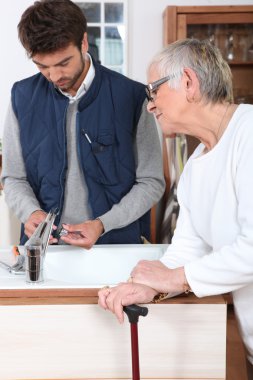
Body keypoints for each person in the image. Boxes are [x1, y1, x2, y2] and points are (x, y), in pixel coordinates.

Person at [98, 38, 253, 378]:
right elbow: (188, 248)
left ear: (188, 82)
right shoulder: (196, 165)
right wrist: (150, 286)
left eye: (152, 91)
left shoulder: (250, 134)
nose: (149, 106)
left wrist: (174, 278)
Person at [1, 0, 165, 248]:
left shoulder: (131, 97)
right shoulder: (21, 97)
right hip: (45, 251)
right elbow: (14, 178)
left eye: (63, 63)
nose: (54, 76)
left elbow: (151, 182)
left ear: (84, 43)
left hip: (114, 248)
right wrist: (30, 213)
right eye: (42, 66)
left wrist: (103, 223)